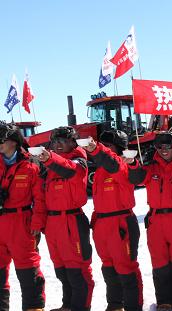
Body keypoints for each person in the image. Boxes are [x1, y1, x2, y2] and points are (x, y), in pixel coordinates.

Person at [129, 131, 172, 311]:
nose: (164, 150)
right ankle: (164, 301)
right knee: (159, 261)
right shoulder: (152, 167)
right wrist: (133, 164)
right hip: (156, 220)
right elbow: (138, 177)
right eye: (160, 147)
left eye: (168, 146)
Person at [32, 126, 94, 311]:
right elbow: (41, 198)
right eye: (55, 141)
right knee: (61, 269)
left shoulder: (79, 161)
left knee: (77, 270)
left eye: (63, 141)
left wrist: (49, 158)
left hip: (72, 221)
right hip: (52, 224)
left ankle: (81, 307)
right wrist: (38, 224)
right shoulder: (49, 167)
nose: (57, 145)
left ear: (73, 143)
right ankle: (68, 305)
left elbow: (70, 170)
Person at [81, 130, 143, 311]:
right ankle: (115, 305)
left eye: (109, 146)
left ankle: (133, 307)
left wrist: (95, 148)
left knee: (126, 268)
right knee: (108, 267)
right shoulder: (100, 170)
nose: (105, 149)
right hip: (101, 224)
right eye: (104, 145)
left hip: (121, 223)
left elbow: (112, 163)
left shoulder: (121, 166)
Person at [0, 122, 45, 311]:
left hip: (22, 223)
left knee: (28, 271)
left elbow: (40, 197)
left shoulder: (30, 163)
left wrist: (37, 222)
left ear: (14, 141)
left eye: (1, 139)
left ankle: (34, 308)